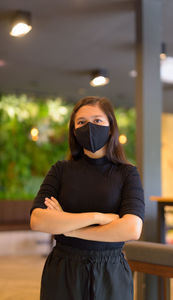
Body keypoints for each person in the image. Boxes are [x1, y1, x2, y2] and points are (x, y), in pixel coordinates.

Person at [30, 96, 145, 300]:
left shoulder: (127, 173)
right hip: (63, 270)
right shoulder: (60, 170)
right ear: (74, 131)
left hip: (110, 272)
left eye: (97, 120)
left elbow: (131, 228)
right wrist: (98, 217)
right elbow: (38, 220)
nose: (89, 126)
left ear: (111, 127)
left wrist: (69, 228)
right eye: (81, 122)